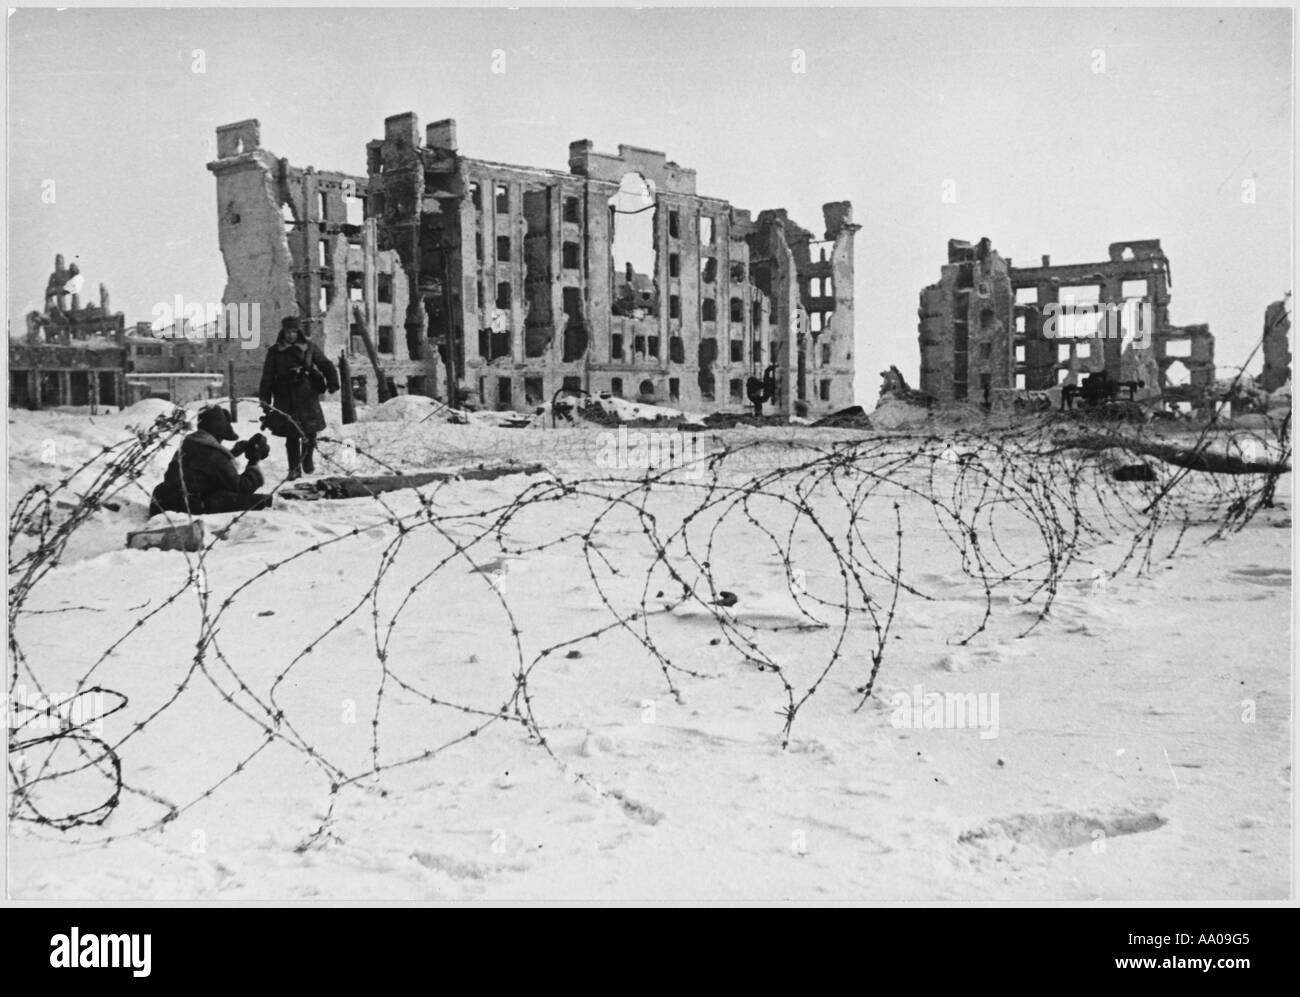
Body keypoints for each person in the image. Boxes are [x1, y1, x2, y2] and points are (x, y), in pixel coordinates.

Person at [258, 316, 339, 479]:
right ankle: (294, 468)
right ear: (283, 331)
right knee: (291, 435)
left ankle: (307, 459)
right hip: (285, 397)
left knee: (310, 432)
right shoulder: (275, 352)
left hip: (307, 395)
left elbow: (326, 365)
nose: (291, 335)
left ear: (299, 332)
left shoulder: (310, 348)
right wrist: (265, 400)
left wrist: (332, 383)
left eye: (294, 332)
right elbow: (267, 377)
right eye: (288, 331)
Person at [150, 407, 271, 515]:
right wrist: (254, 461)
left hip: (165, 501)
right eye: (221, 438)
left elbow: (203, 466)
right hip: (189, 506)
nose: (220, 442)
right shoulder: (214, 455)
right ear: (217, 434)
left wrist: (231, 454)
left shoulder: (190, 443)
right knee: (260, 501)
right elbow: (242, 488)